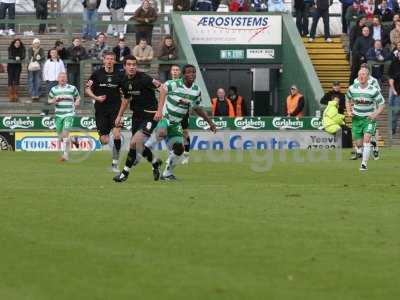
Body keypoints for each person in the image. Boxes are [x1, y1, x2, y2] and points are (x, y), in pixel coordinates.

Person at [144, 64, 217, 180]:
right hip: (165, 117)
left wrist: (210, 122)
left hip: (176, 123)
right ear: (183, 74)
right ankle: (148, 152)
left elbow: (197, 108)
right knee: (161, 133)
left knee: (180, 149)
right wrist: (159, 111)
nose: (191, 74)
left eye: (193, 72)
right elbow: (162, 91)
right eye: (188, 72)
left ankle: (167, 173)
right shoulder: (173, 84)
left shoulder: (196, 90)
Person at [112, 55, 163, 183]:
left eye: (134, 64)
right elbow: (126, 100)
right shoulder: (123, 81)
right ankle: (155, 163)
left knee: (134, 142)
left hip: (151, 115)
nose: (132, 67)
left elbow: (163, 89)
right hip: (137, 116)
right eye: (129, 64)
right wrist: (119, 115)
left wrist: (159, 110)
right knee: (138, 145)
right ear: (124, 66)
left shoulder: (144, 78)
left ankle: (124, 173)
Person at [85, 51, 124, 172]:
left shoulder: (120, 75)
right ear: (103, 60)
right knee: (105, 141)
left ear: (114, 61)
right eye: (107, 59)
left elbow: (125, 90)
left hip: (116, 110)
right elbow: (87, 89)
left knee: (117, 134)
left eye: (112, 59)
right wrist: (96, 98)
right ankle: (106, 136)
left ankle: (115, 163)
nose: (109, 61)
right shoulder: (97, 74)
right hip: (101, 110)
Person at [346, 68, 385, 171]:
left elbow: (382, 104)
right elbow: (347, 99)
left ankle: (364, 164)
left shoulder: (373, 90)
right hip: (356, 119)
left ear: (368, 77)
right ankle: (373, 143)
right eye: (360, 74)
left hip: (369, 118)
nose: (361, 76)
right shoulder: (352, 88)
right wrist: (349, 111)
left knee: (366, 140)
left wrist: (375, 114)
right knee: (359, 144)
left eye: (363, 74)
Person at [48, 72, 80, 162]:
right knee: (62, 137)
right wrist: (53, 100)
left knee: (65, 134)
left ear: (66, 79)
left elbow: (78, 97)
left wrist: (77, 102)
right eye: (60, 77)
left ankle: (65, 156)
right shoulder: (54, 89)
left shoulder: (72, 88)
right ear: (57, 79)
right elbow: (49, 100)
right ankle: (73, 139)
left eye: (64, 77)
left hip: (69, 114)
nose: (62, 79)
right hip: (58, 115)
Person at [388, 51, 400, 135]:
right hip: (397, 93)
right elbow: (391, 79)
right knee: (395, 112)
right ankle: (393, 130)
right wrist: (393, 90)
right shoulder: (394, 63)